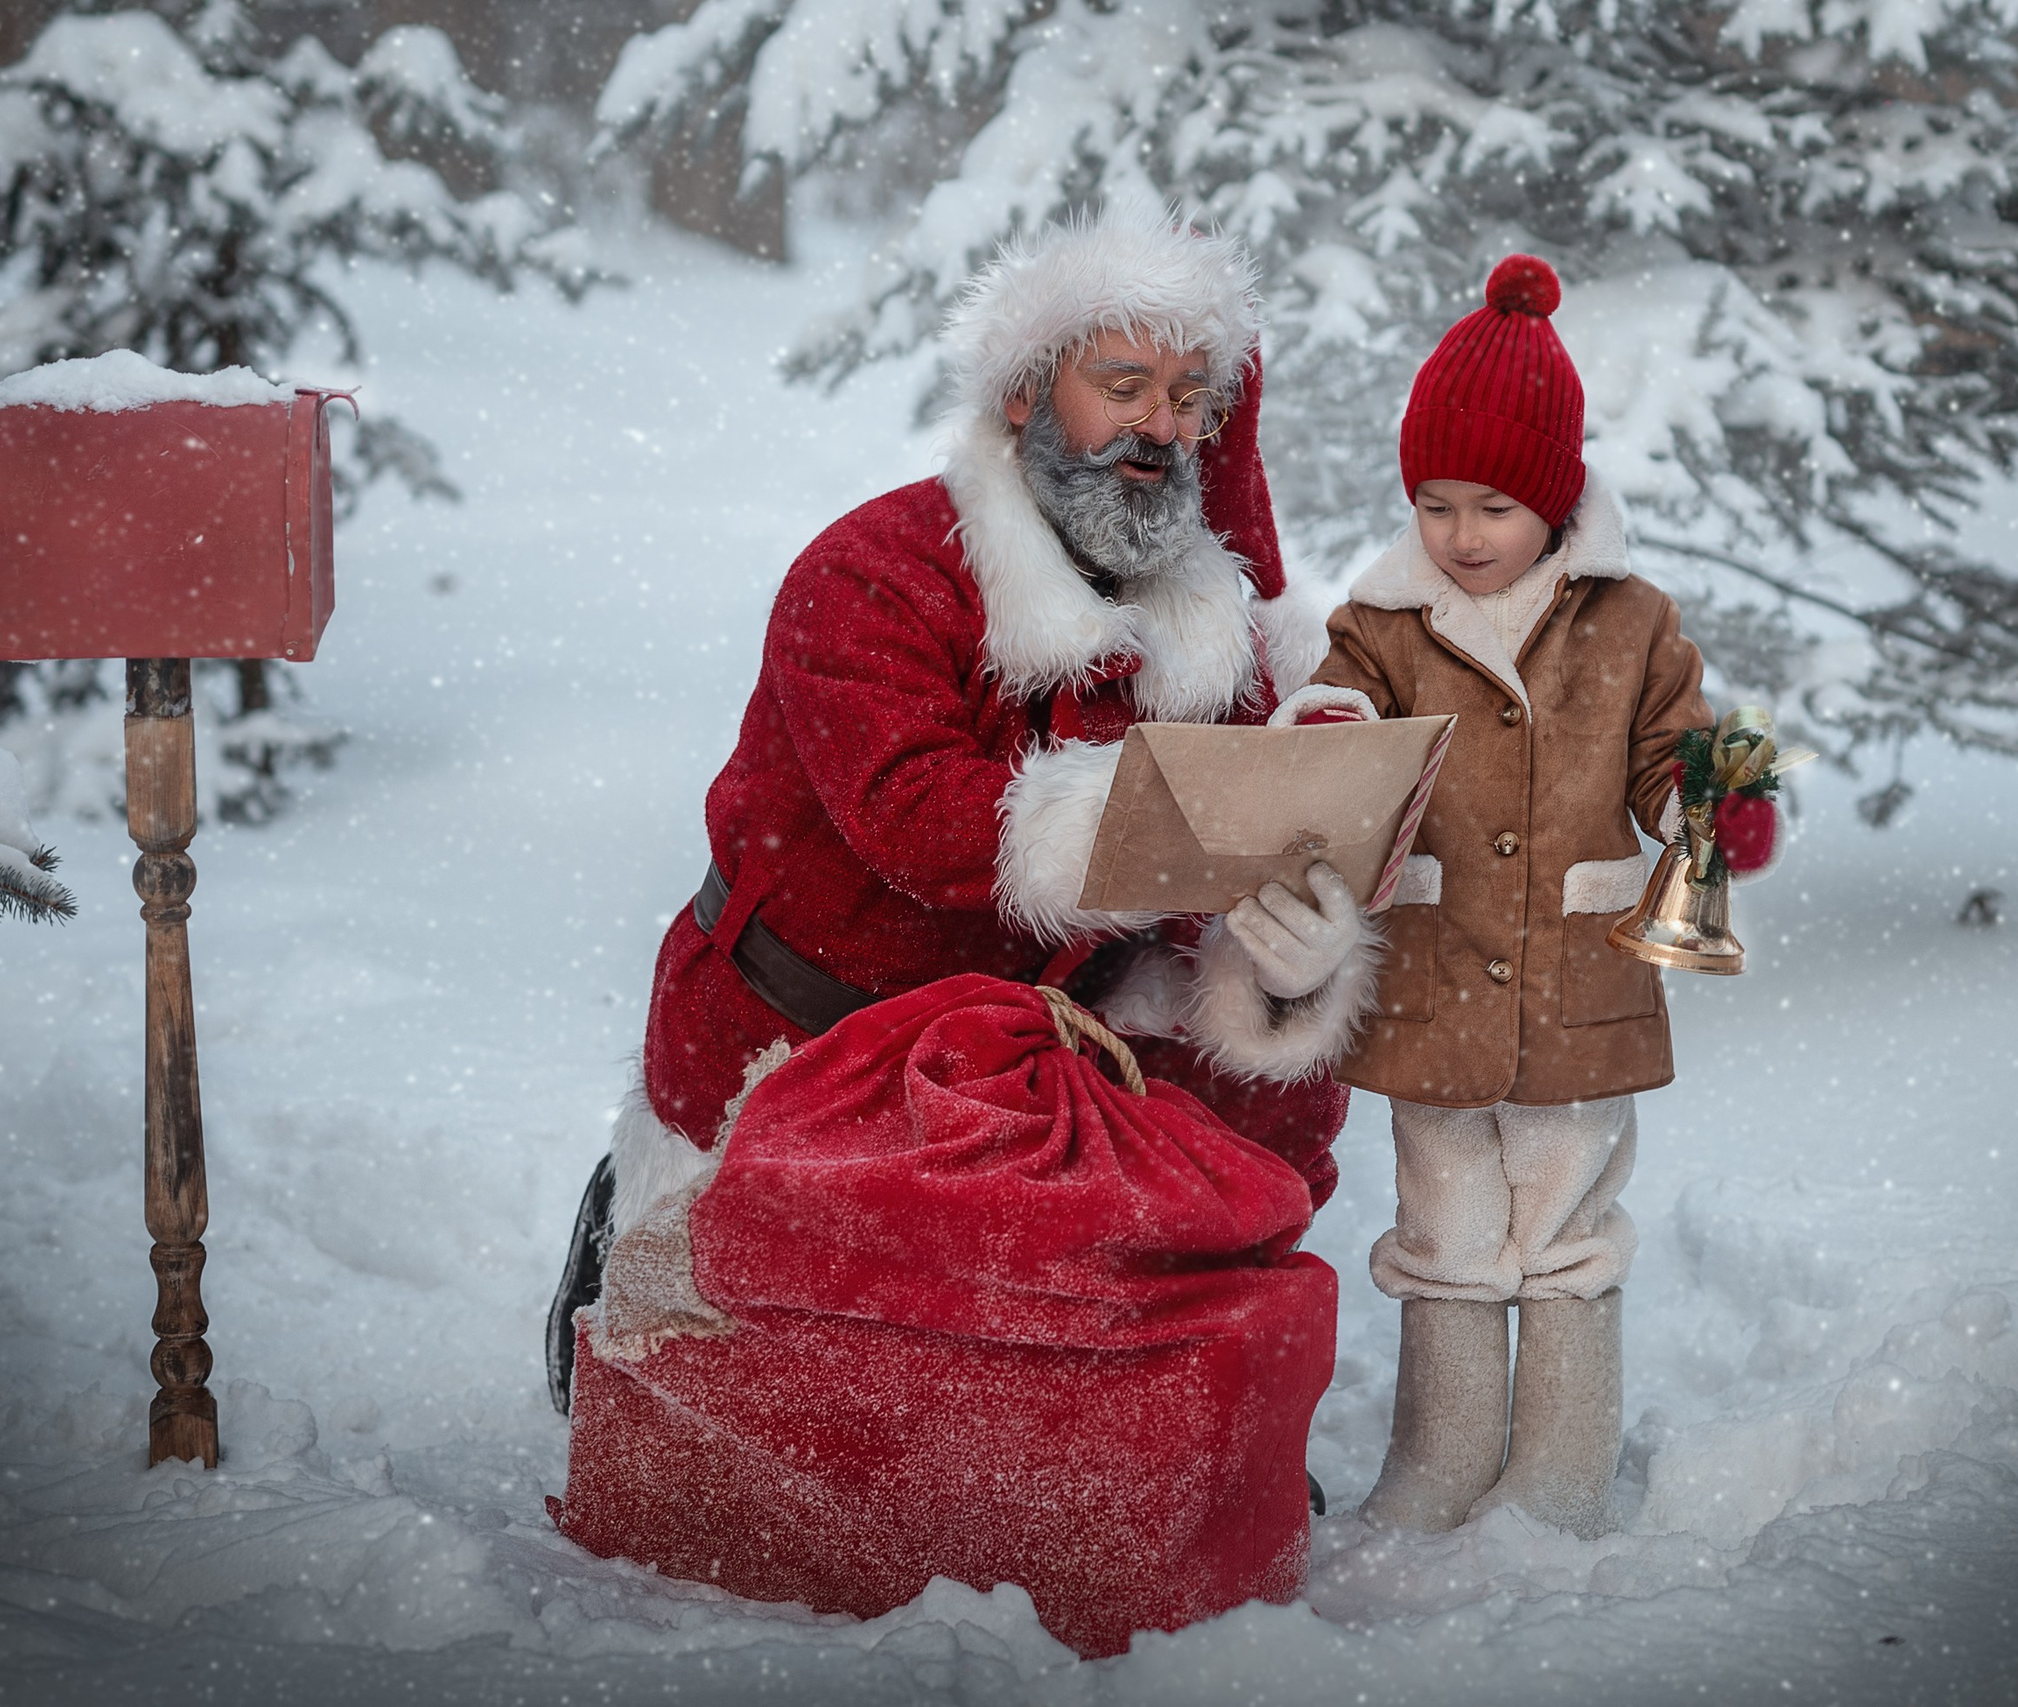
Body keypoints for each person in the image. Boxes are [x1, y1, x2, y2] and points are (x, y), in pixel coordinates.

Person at [546, 212, 1378, 1409]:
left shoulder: (1209, 633)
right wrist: (1173, 817)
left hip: (1039, 1050)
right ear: (1024, 395)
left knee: (1271, 1086)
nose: (1160, 428)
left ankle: (1169, 1418)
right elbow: (919, 821)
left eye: (1190, 400)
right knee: (771, 1386)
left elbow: (1244, 861)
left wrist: (1279, 962)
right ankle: (640, 1254)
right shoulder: (871, 571)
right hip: (803, 1032)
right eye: (1122, 387)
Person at [1269, 255, 1782, 1537]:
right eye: (1434, 503)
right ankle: (1441, 1457)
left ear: (1553, 500)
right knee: (1442, 1225)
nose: (1459, 534)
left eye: (1492, 505)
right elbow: (1340, 723)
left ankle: (1560, 1467)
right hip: (1434, 981)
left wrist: (1712, 803)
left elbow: (1669, 758)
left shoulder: (1631, 622)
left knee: (1565, 1223)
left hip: (1577, 983)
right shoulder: (1384, 624)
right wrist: (1328, 737)